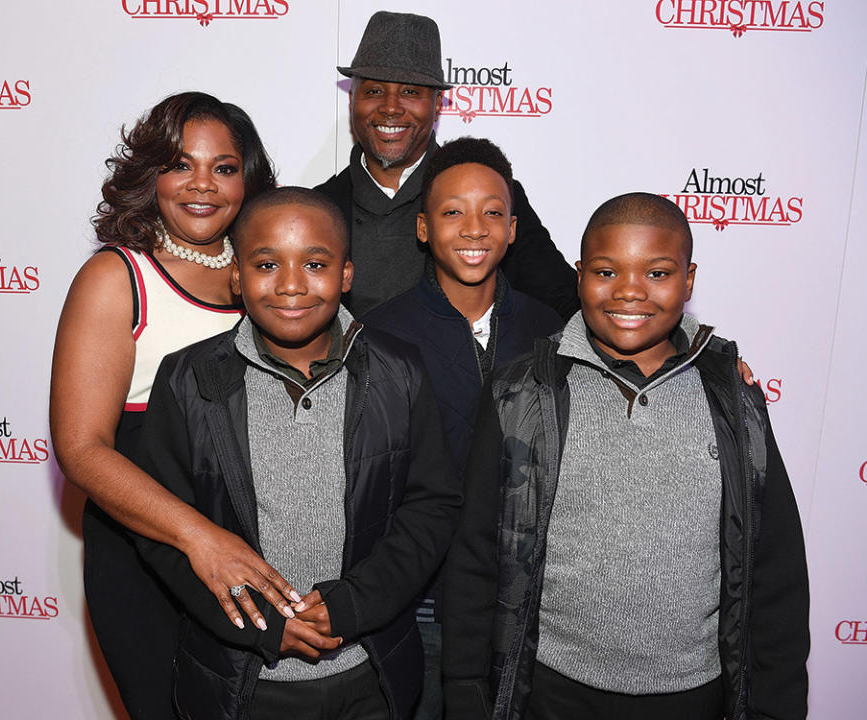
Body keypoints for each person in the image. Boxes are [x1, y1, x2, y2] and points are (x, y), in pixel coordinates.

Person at [442, 192, 809, 720]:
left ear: (689, 280)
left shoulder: (731, 398)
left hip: (693, 697)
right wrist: (468, 694)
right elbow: (477, 556)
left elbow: (775, 571)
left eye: (657, 274)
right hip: (550, 690)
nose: (630, 292)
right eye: (607, 272)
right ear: (579, 275)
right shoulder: (522, 393)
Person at [130, 187, 463, 719]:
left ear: (346, 275)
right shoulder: (187, 380)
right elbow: (165, 534)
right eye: (266, 264)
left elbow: (432, 506)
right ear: (237, 276)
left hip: (370, 675)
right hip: (241, 683)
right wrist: (263, 622)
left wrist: (354, 604)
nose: (290, 285)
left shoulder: (400, 371)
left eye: (314, 263)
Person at [50, 92, 301, 720]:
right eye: (180, 164)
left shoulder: (270, 275)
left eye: (224, 167)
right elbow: (81, 449)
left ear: (249, 180)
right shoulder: (118, 277)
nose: (203, 186)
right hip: (145, 554)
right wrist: (200, 539)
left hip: (255, 552)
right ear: (150, 174)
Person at [363, 137, 563, 720]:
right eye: (453, 211)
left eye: (492, 212)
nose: (474, 228)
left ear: (514, 228)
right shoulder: (379, 335)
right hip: (419, 602)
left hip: (528, 604)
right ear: (423, 228)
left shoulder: (550, 330)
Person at [315, 10, 579, 319]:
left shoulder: (497, 197)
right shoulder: (320, 207)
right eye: (374, 91)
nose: (389, 107)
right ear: (352, 101)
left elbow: (563, 303)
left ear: (438, 104)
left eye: (410, 92)